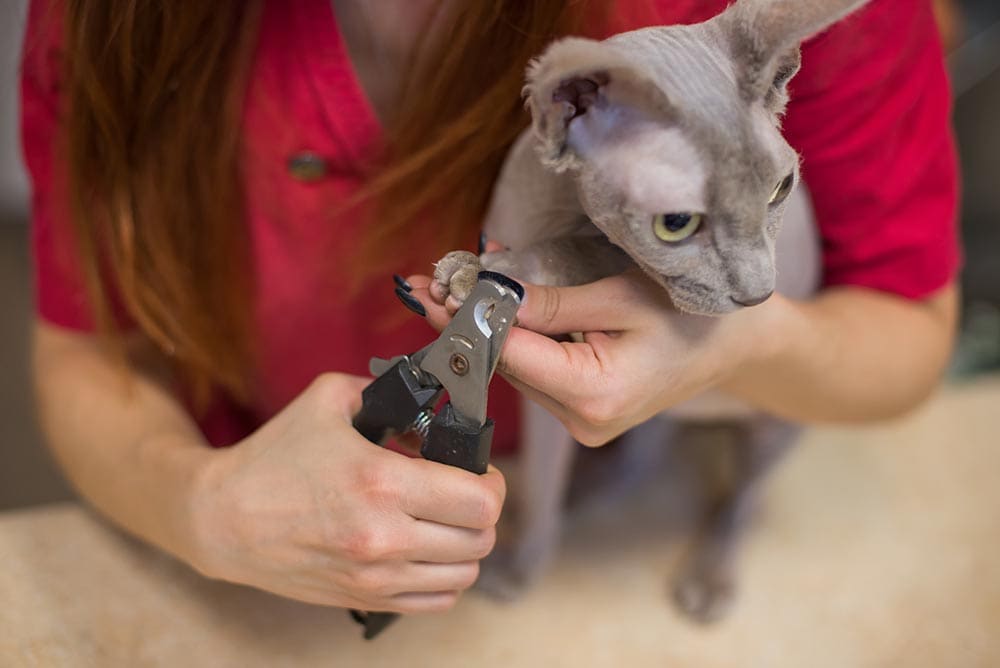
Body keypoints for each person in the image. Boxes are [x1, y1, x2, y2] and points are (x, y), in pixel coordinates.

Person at [21, 0, 958, 615]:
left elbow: (907, 332)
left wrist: (740, 340)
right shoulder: (121, 21)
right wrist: (199, 504)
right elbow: (89, 353)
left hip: (610, 546)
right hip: (259, 567)